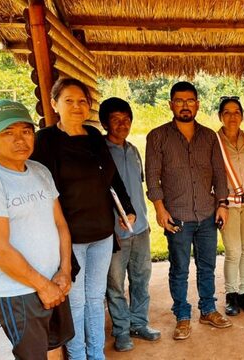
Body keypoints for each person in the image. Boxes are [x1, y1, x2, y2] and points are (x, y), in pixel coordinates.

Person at [31, 78, 136, 360]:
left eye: (81, 101)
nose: (76, 106)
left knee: (95, 298)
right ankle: (78, 355)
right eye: (69, 100)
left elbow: (112, 178)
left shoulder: (93, 136)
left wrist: (126, 208)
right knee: (76, 302)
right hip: (69, 238)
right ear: (54, 104)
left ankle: (96, 354)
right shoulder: (45, 141)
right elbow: (41, 191)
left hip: (102, 233)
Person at [0, 100, 74, 360]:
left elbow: (60, 225)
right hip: (18, 291)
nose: (20, 140)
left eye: (25, 131)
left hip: (54, 281)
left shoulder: (39, 171)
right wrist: (42, 286)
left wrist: (65, 271)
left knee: (56, 346)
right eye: (8, 133)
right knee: (33, 355)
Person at [146, 81, 231, 340]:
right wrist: (160, 209)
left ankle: (208, 309)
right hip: (177, 215)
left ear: (197, 104)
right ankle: (182, 315)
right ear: (171, 104)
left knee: (207, 266)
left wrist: (223, 204)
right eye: (179, 101)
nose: (185, 105)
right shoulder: (157, 136)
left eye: (190, 100)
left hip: (207, 213)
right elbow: (152, 176)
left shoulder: (209, 136)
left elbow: (219, 172)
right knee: (179, 268)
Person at [100, 97, 161, 352]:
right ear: (105, 123)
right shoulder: (100, 154)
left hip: (141, 229)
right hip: (115, 232)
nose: (122, 124)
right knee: (115, 284)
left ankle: (139, 323)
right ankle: (122, 330)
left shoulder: (133, 150)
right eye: (116, 120)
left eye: (126, 119)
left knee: (140, 279)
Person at [215, 96, 244, 316]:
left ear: (242, 115)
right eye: (227, 112)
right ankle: (231, 295)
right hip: (228, 205)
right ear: (220, 116)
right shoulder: (213, 142)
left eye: (236, 112)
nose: (232, 116)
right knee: (233, 251)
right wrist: (219, 202)